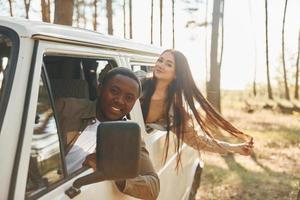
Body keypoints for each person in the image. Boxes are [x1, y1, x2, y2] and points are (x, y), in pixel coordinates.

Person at [56, 67, 159, 200]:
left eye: (129, 98)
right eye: (114, 91)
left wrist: (113, 172)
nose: (120, 100)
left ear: (134, 103)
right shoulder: (66, 109)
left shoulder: (129, 135)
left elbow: (153, 188)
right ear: (99, 89)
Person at [141, 49, 254, 166]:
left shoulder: (174, 111)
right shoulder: (137, 84)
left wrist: (234, 148)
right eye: (160, 60)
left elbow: (197, 140)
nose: (160, 65)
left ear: (176, 74)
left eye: (168, 64)